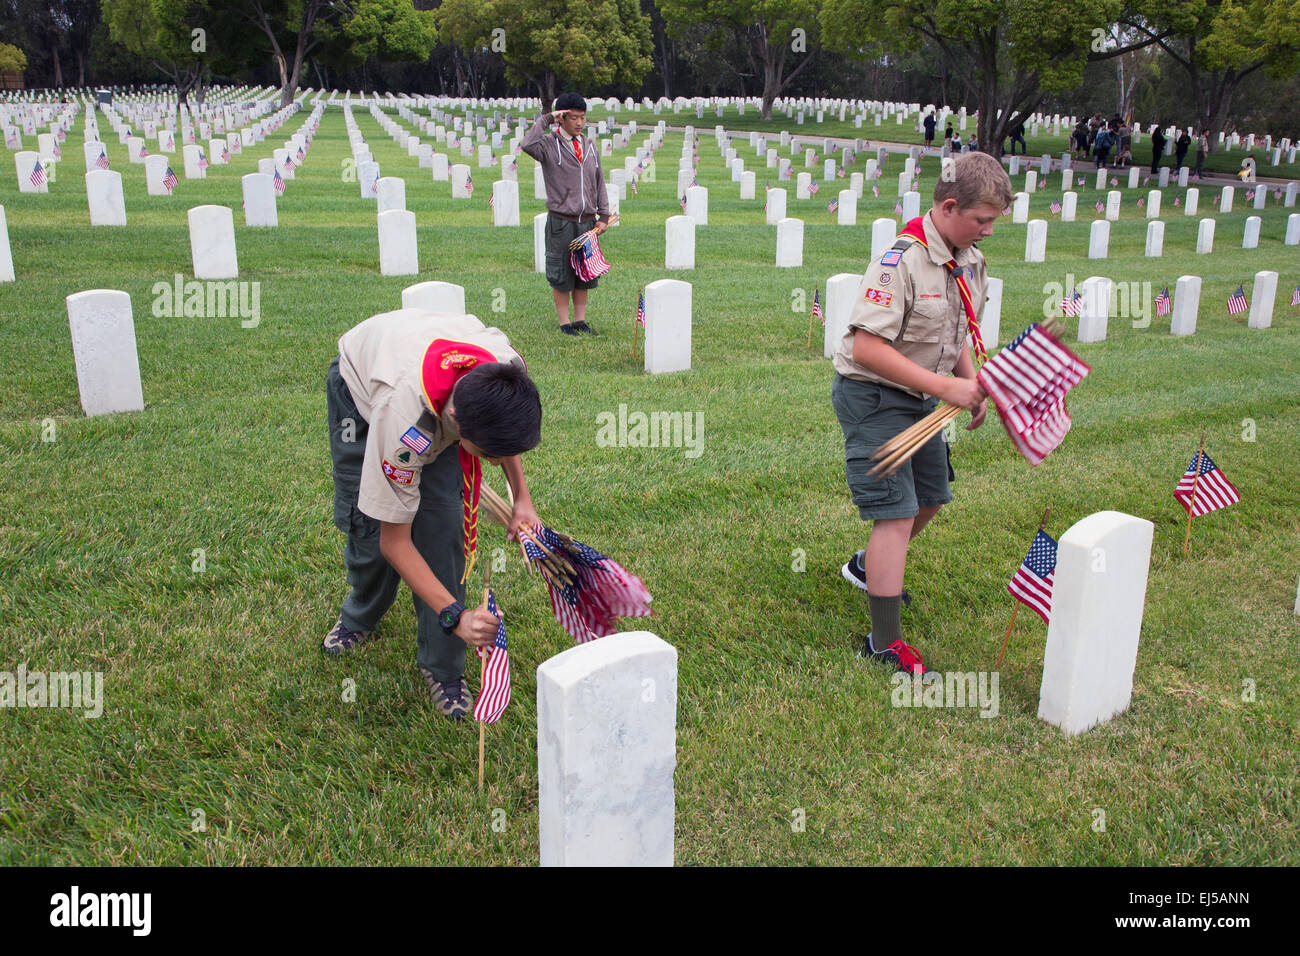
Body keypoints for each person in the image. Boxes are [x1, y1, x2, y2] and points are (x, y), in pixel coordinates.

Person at [831, 151, 1010, 674]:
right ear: (950, 207)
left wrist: (970, 381)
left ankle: (867, 568)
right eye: (983, 220)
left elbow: (954, 329)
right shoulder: (902, 261)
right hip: (872, 395)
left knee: (932, 494)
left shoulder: (969, 258)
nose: (989, 231)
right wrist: (945, 387)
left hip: (921, 396)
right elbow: (866, 348)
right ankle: (884, 644)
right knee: (897, 511)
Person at [323, 309, 542, 719]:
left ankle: (443, 668)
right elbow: (395, 541)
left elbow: (502, 425)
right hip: (363, 390)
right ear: (457, 424)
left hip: (433, 377)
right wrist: (456, 614)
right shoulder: (406, 424)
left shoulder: (507, 372)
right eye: (488, 455)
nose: (494, 464)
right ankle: (360, 615)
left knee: (442, 529)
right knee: (371, 527)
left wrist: (521, 499)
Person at [520, 93, 610, 336]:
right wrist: (547, 118)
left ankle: (580, 320)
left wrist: (603, 215)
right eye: (573, 118)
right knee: (561, 273)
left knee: (585, 274)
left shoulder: (589, 146)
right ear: (562, 118)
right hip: (561, 221)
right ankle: (565, 322)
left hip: (587, 222)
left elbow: (599, 181)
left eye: (582, 118)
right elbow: (527, 144)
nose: (579, 123)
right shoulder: (549, 145)